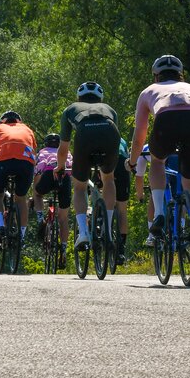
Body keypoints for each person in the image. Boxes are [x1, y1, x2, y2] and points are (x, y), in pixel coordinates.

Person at [127, 55, 190, 263]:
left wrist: (133, 161)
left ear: (156, 76)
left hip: (166, 120)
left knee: (157, 161)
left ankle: (160, 214)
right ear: (181, 74)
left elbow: (140, 135)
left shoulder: (148, 91)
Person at [56, 82, 122, 254]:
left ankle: (83, 233)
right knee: (108, 179)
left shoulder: (71, 109)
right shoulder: (109, 108)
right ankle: (108, 229)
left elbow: (63, 147)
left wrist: (60, 167)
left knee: (79, 187)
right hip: (110, 132)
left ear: (79, 97)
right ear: (100, 97)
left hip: (85, 134)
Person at [0, 111, 37, 243]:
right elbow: (34, 154)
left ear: (2, 122)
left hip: (5, 163)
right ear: (19, 121)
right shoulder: (28, 130)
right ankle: (21, 234)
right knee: (21, 199)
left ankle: (0, 226)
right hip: (26, 165)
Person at [32, 133, 72, 268]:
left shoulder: (43, 152)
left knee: (37, 194)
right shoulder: (67, 152)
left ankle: (40, 219)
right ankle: (64, 249)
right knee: (63, 219)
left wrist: (36, 186)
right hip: (65, 177)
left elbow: (39, 169)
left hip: (49, 174)